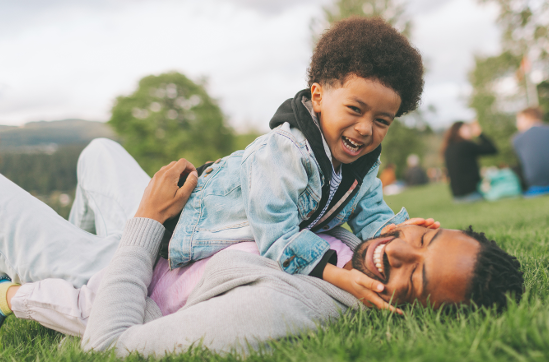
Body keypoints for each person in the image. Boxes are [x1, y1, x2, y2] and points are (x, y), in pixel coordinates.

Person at [0, 140, 525, 355]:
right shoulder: (362, 239)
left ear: (414, 313)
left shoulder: (284, 308)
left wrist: (146, 222)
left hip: (124, 272)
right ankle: (65, 243)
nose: (399, 254)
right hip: (171, 240)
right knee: (98, 151)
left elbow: (111, 346)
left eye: (417, 279)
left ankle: (41, 274)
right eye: (423, 239)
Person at [158, 17, 429, 309]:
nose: (365, 128)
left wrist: (400, 233)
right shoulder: (286, 150)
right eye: (354, 109)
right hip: (190, 229)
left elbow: (370, 213)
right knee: (274, 277)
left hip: (256, 237)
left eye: (381, 120)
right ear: (318, 97)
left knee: (330, 244)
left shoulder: (362, 164)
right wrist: (337, 276)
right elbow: (277, 235)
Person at [442, 121, 497, 203]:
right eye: (467, 129)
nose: (470, 131)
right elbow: (492, 149)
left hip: (456, 199)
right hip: (472, 195)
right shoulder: (466, 145)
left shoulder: (447, 149)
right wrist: (480, 133)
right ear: (459, 131)